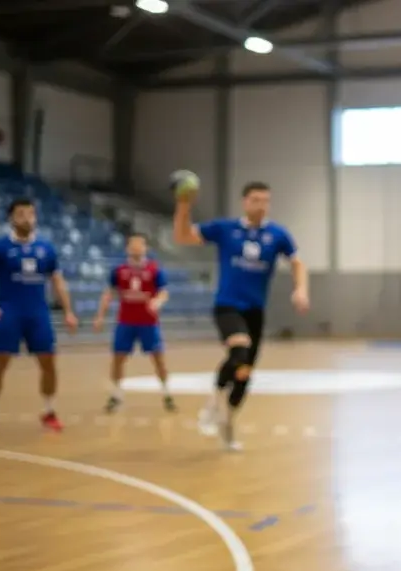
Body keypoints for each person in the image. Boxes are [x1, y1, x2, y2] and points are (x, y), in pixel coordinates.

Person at [172, 180, 309, 451]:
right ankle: (212, 404)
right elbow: (183, 236)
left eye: (265, 200)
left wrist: (301, 289)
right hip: (227, 305)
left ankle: (228, 422)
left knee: (245, 372)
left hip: (255, 311)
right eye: (256, 200)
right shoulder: (226, 229)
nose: (261, 205)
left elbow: (297, 262)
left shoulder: (277, 234)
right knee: (239, 350)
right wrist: (184, 205)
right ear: (245, 202)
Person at [0, 198, 78, 439]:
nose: (27, 218)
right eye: (21, 214)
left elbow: (58, 281)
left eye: (31, 213)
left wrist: (68, 311)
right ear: (11, 218)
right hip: (9, 312)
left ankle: (49, 411)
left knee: (49, 363)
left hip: (38, 314)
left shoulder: (46, 248)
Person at [93, 233, 176, 414]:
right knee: (118, 359)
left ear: (146, 248)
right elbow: (109, 293)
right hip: (126, 322)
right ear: (128, 248)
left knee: (158, 360)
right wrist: (100, 315)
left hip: (149, 323)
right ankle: (116, 395)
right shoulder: (119, 271)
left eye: (140, 244)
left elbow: (164, 292)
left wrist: (157, 302)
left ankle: (167, 394)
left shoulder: (154, 270)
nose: (137, 248)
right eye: (133, 244)